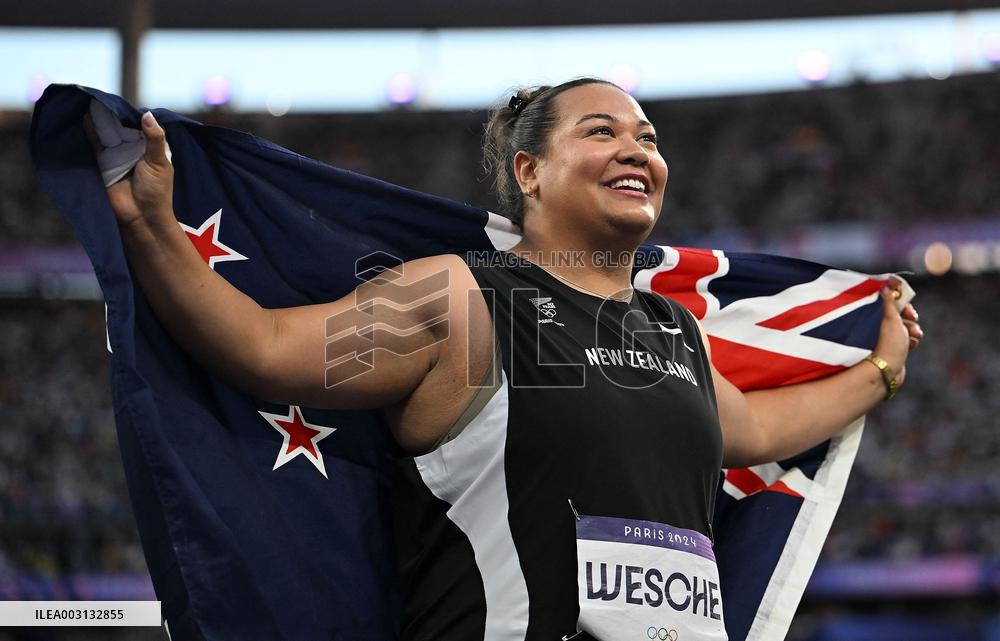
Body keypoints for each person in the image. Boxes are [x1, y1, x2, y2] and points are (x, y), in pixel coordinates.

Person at [97, 77, 922, 641]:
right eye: (602, 133)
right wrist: (152, 229)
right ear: (528, 171)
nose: (638, 151)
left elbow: (754, 426)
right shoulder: (455, 299)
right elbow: (266, 347)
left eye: (648, 138)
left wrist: (878, 370)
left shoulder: (677, 330)